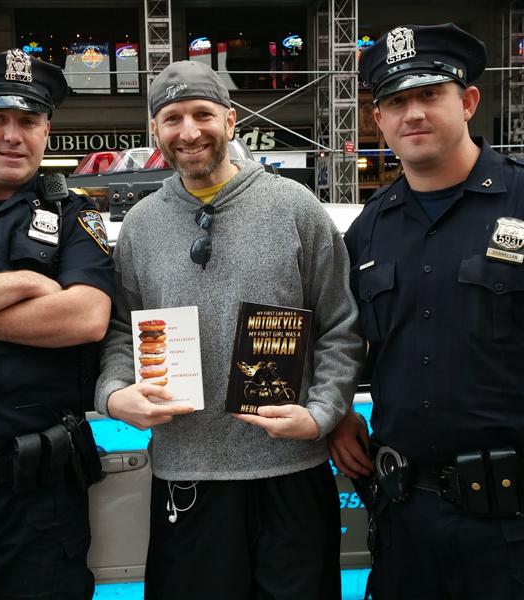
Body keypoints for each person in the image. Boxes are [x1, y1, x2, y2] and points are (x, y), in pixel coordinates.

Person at [95, 60, 364, 600]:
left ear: (230, 120)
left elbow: (340, 325)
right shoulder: (141, 226)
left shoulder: (296, 208)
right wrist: (114, 392)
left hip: (291, 471)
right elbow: (123, 329)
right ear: (155, 130)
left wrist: (321, 414)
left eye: (202, 114)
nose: (189, 131)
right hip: (188, 476)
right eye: (173, 118)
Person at [328, 23, 524, 600]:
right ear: (379, 119)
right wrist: (336, 410)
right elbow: (340, 335)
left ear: (468, 102)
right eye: (396, 102)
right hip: (406, 518)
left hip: (512, 529)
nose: (412, 114)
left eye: (429, 95)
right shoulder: (370, 228)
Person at [0, 49, 114, 599]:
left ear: (46, 131)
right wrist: (28, 283)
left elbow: (86, 316)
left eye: (28, 121)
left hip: (42, 503)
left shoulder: (78, 215)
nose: (13, 135)